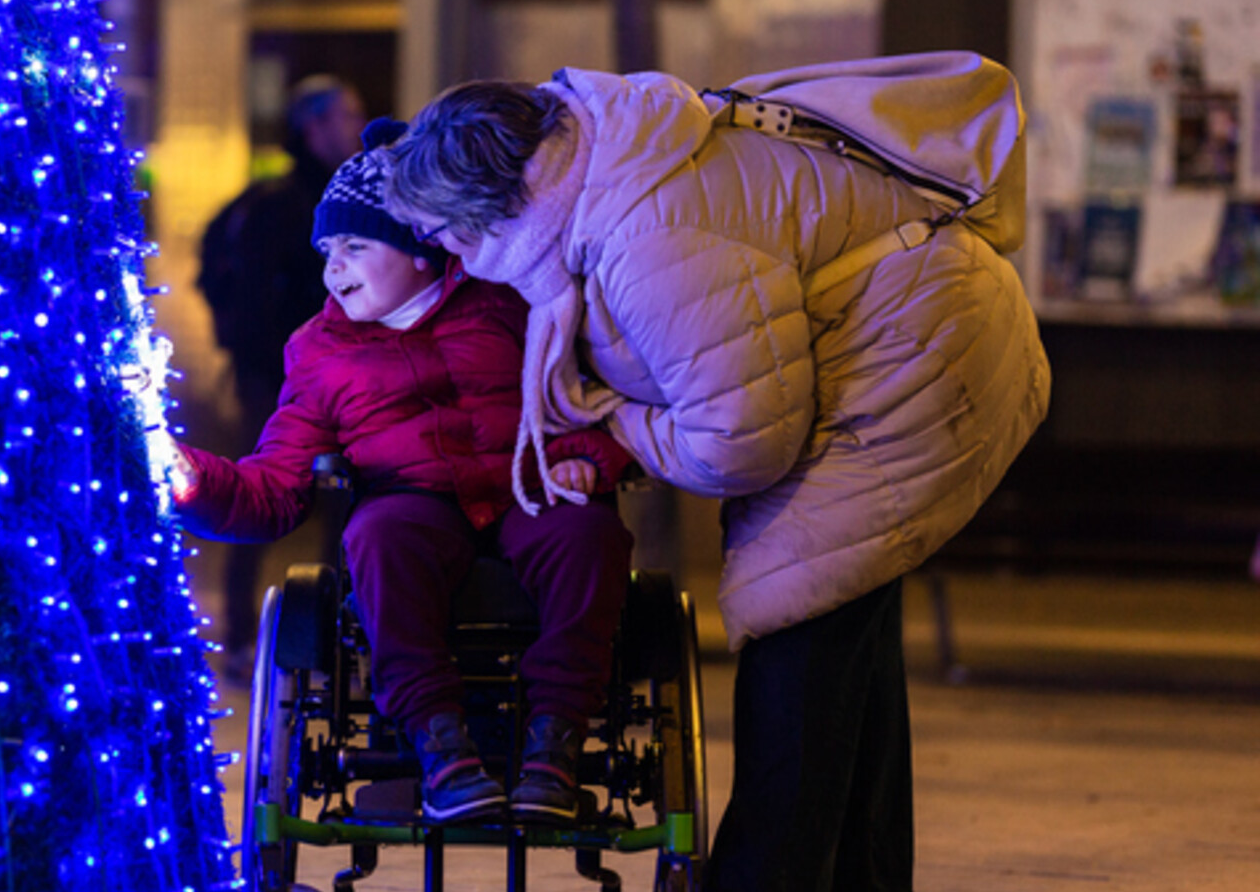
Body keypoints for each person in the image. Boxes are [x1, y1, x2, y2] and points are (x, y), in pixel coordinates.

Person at [384, 56, 1050, 888]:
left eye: (442, 230)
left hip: (910, 360)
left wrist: (610, 417)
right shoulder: (602, 155)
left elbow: (740, 442)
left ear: (491, 206)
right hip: (912, 333)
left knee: (797, 645)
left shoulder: (646, 238)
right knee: (849, 647)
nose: (441, 249)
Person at [174, 128, 636, 824]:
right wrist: (192, 480)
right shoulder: (319, 351)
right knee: (378, 536)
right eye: (327, 251)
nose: (335, 267)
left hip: (528, 485)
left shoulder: (510, 303)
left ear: (422, 248)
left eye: (355, 247)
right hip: (413, 501)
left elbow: (586, 397)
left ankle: (555, 741)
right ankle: (439, 744)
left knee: (587, 533)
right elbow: (273, 486)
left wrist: (588, 456)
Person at [197, 75, 366, 682]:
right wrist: (262, 361)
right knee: (259, 496)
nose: (358, 126)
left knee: (343, 506)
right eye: (347, 115)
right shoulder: (282, 203)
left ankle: (330, 634)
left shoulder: (341, 195)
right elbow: (242, 288)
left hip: (332, 376)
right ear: (313, 126)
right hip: (277, 377)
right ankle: (243, 639)